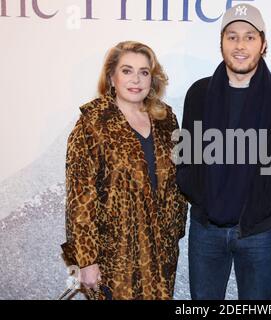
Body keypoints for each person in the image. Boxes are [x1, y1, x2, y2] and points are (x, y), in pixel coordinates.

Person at [176, 4, 271, 300]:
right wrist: (201, 197)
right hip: (205, 230)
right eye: (232, 36)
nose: (240, 45)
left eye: (249, 37)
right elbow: (184, 157)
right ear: (221, 43)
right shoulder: (198, 94)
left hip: (259, 232)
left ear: (263, 44)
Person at [61, 41, 187, 300]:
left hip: (161, 252)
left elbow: (177, 184)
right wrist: (86, 260)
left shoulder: (166, 120)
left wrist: (173, 232)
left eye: (144, 72)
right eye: (127, 70)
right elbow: (80, 199)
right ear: (111, 76)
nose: (136, 80)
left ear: (152, 79)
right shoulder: (93, 123)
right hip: (113, 256)